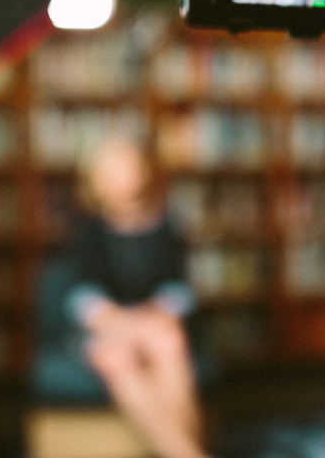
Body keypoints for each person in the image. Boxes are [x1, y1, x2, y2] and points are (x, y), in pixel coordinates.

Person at [48, 136, 211, 458]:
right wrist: (116, 321)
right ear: (96, 182)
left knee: (169, 344)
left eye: (127, 169)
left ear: (143, 173)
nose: (122, 179)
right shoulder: (88, 230)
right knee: (117, 358)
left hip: (154, 322)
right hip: (109, 325)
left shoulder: (166, 225)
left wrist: (155, 314)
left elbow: (179, 288)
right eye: (111, 173)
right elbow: (81, 292)